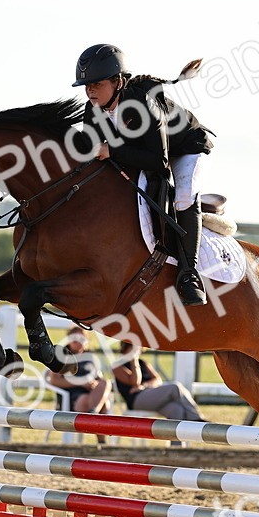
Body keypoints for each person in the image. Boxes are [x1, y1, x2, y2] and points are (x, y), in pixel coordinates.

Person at [72, 43, 215, 307]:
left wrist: (111, 151)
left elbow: (159, 163)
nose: (90, 91)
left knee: (183, 197)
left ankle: (189, 274)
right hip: (145, 151)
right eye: (87, 85)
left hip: (185, 148)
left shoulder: (143, 105)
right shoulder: (93, 109)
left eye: (97, 84)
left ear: (117, 82)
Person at [112, 340, 205, 423]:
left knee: (176, 410)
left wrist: (145, 385)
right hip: (136, 400)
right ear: (127, 347)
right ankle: (196, 419)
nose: (138, 350)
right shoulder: (117, 365)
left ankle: (180, 436)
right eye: (135, 348)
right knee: (175, 387)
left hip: (151, 396)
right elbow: (135, 383)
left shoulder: (143, 363)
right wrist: (134, 362)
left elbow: (157, 379)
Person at [44, 327, 111, 418]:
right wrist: (81, 383)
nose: (78, 341)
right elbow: (54, 380)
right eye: (75, 339)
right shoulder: (63, 356)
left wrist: (93, 383)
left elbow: (98, 377)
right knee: (92, 401)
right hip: (72, 396)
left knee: (105, 383)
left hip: (91, 393)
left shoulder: (90, 357)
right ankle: (94, 416)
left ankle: (93, 413)